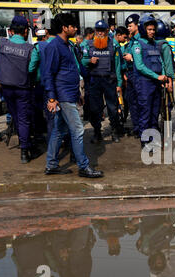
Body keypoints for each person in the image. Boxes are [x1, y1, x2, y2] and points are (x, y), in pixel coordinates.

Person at [43, 13, 103, 178]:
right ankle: (83, 166)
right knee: (77, 130)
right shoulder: (54, 46)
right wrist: (52, 98)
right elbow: (48, 74)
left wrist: (78, 94)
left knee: (58, 130)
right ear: (64, 28)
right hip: (62, 95)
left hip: (70, 93)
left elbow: (72, 70)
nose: (76, 29)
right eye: (73, 26)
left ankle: (52, 165)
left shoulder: (68, 45)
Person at [0, 16, 40, 163]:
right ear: (25, 31)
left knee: (16, 117)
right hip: (23, 88)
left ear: (11, 31)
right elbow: (32, 70)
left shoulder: (1, 43)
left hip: (6, 88)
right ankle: (25, 151)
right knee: (24, 118)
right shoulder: (31, 48)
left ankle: (26, 144)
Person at [83, 20, 124, 144]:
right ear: (95, 31)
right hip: (94, 81)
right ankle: (97, 132)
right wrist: (90, 60)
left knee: (112, 108)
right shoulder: (88, 45)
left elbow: (117, 66)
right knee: (95, 109)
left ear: (107, 31)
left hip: (109, 81)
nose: (100, 33)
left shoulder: (114, 45)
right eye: (98, 31)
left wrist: (119, 84)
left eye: (102, 31)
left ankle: (114, 131)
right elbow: (83, 62)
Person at [132, 14, 167, 152]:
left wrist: (163, 77)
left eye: (153, 29)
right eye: (150, 29)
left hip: (156, 84)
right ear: (143, 29)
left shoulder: (154, 44)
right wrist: (156, 76)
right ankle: (145, 141)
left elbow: (161, 62)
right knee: (145, 113)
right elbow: (140, 66)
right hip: (145, 83)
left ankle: (154, 139)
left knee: (154, 113)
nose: (152, 31)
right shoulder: (137, 44)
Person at [123, 14, 141, 138]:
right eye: (128, 26)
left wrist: (132, 58)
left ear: (137, 25)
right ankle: (136, 127)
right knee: (132, 102)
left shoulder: (141, 40)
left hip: (138, 74)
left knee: (140, 102)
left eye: (130, 26)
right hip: (130, 74)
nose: (128, 28)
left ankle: (142, 128)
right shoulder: (132, 40)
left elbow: (143, 59)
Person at [80, 27, 94, 121]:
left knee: (88, 93)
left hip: (87, 71)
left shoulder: (85, 44)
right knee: (89, 93)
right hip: (87, 71)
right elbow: (83, 60)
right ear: (90, 34)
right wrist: (91, 60)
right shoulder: (84, 44)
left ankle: (88, 113)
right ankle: (88, 114)